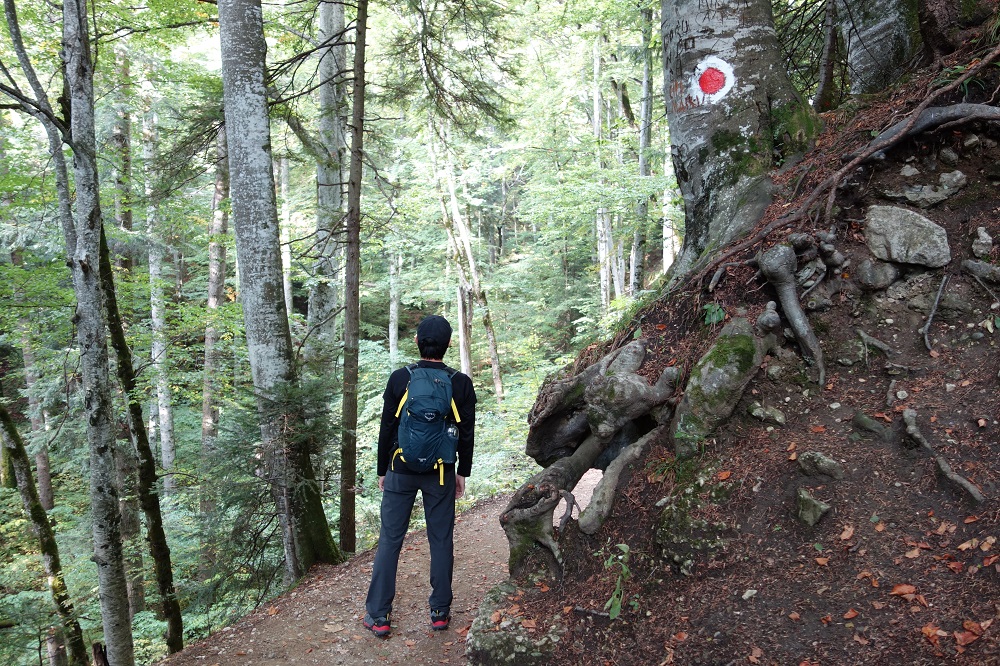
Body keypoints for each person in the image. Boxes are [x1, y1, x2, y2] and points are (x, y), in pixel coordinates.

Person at [363, 315, 477, 637]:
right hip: (440, 472)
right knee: (440, 539)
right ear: (449, 344)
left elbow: (387, 427)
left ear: (417, 341)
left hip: (400, 469)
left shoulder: (401, 378)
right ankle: (439, 611)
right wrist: (462, 472)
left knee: (390, 539)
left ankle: (379, 615)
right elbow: (466, 432)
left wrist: (382, 469)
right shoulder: (460, 383)